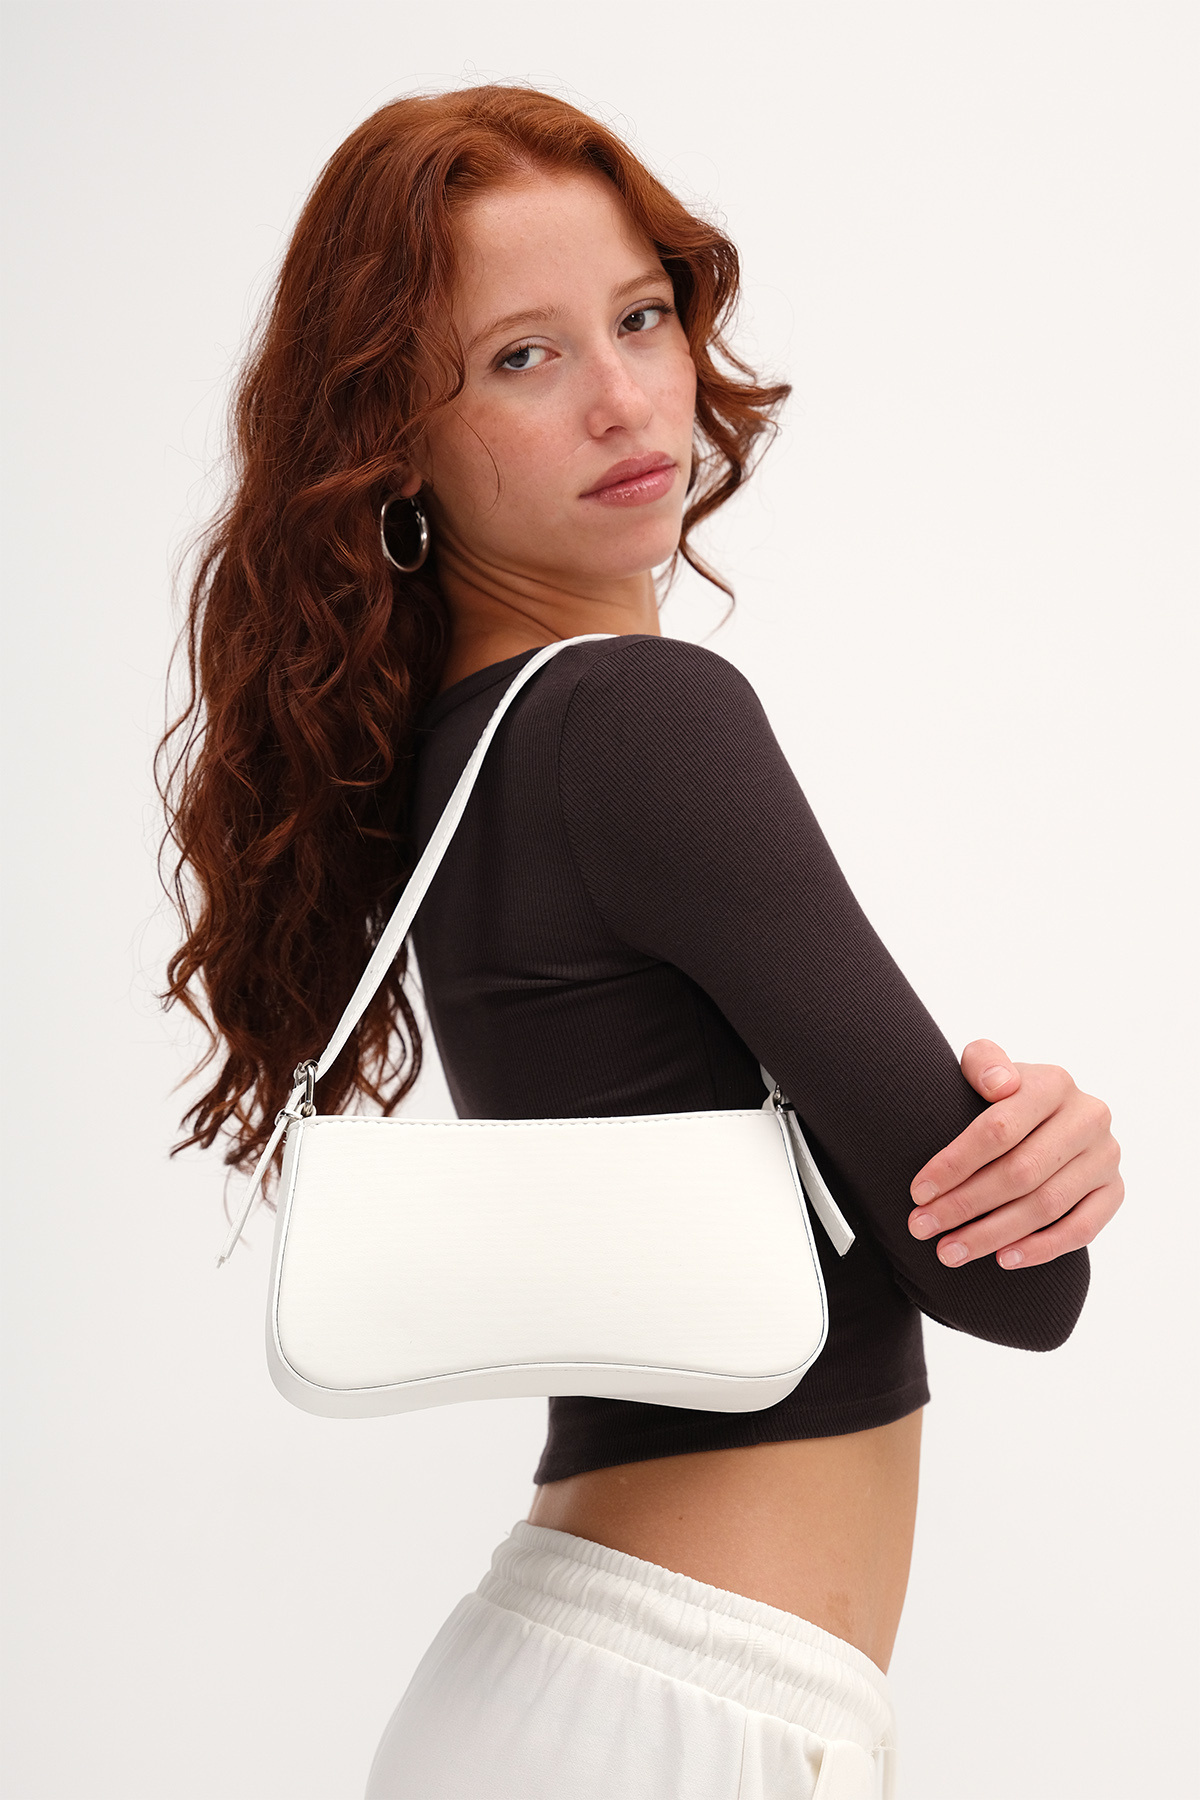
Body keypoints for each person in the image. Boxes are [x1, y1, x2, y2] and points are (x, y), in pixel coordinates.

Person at [160, 86, 1124, 1799]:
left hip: (601, 1690)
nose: (622, 399)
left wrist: (1006, 1161)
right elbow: (1017, 1283)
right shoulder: (636, 719)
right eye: (520, 358)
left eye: (641, 317)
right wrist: (1038, 1165)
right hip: (674, 1719)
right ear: (399, 437)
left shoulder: (476, 737)